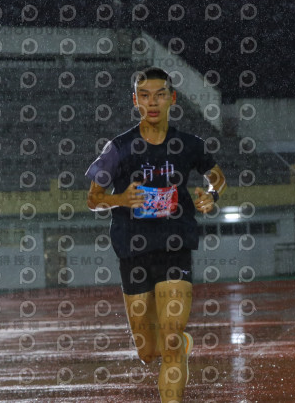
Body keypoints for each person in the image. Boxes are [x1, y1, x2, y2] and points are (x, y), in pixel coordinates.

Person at [85, 66, 226, 402]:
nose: (152, 102)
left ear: (172, 99)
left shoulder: (188, 144)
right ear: (135, 101)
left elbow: (217, 176)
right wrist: (121, 199)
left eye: (160, 95)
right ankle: (177, 344)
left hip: (175, 245)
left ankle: (178, 347)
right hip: (133, 250)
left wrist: (212, 195)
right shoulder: (119, 148)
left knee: (172, 339)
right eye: (144, 95)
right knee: (148, 351)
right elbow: (93, 199)